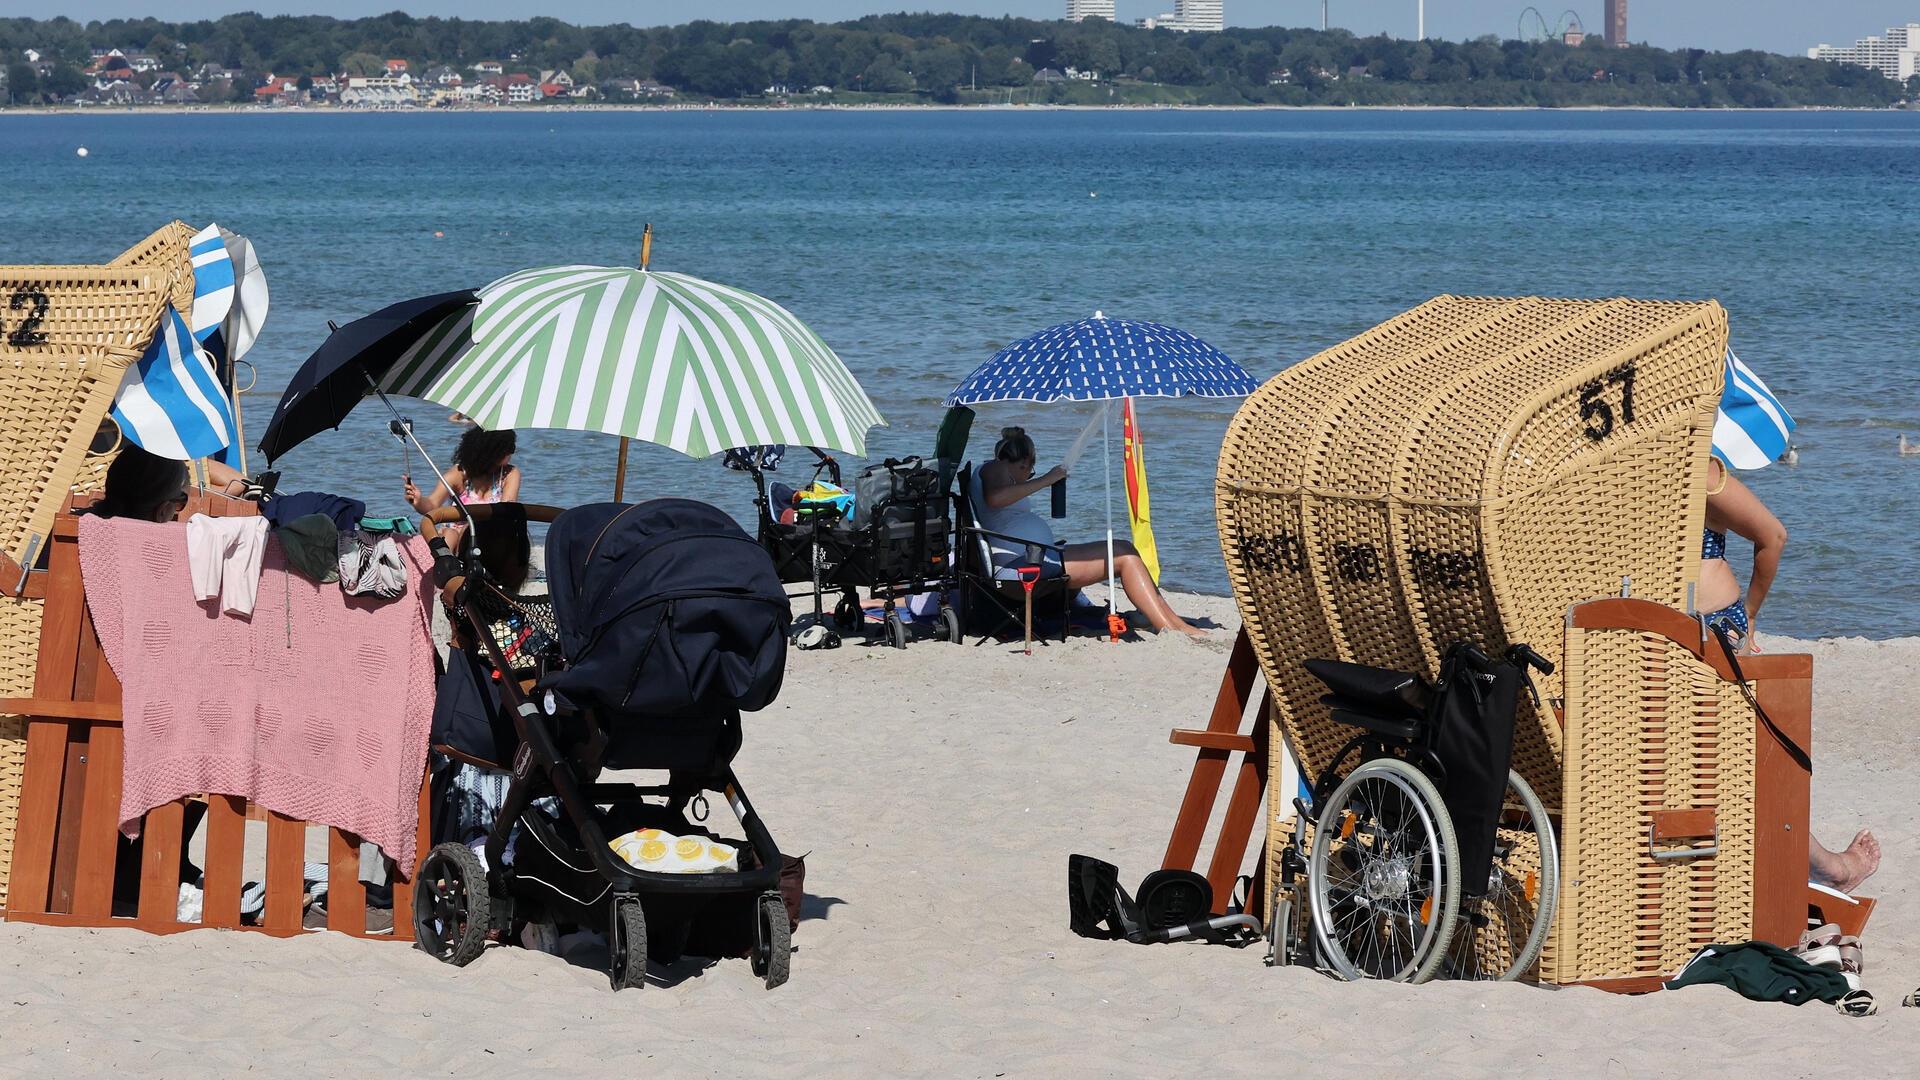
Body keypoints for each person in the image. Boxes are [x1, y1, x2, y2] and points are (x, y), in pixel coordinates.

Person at [1703, 455, 1879, 892]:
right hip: (1712, 630)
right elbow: (1773, 537)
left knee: (1706, 760)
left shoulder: (1604, 473)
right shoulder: (1697, 469)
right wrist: (1750, 613)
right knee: (1753, 757)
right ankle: (1827, 868)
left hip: (1637, 626)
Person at [975, 426, 1204, 639]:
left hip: (1035, 557)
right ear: (1022, 462)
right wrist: (1047, 480)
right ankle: (1169, 627)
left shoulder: (997, 472)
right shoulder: (995, 467)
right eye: (1028, 469)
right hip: (1023, 568)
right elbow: (996, 498)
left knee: (1124, 547)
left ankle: (1172, 622)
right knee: (1124, 557)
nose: (1029, 475)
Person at [404, 427, 521, 514]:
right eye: (510, 448)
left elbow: (507, 508)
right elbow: (432, 505)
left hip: (492, 533)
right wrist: (418, 501)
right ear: (492, 453)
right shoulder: (458, 474)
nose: (511, 452)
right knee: (450, 534)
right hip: (460, 534)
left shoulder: (509, 474)